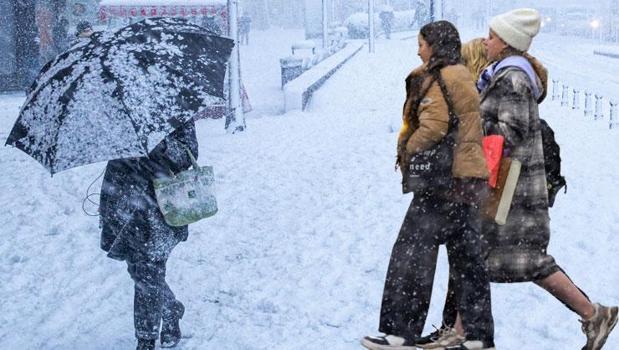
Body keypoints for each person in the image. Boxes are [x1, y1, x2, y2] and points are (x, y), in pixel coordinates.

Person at [417, 9, 618, 350]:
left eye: (492, 36)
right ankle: (461, 332)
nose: (485, 41)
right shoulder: (504, 74)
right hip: (509, 186)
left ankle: (593, 313)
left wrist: (465, 129)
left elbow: (506, 131)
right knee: (485, 256)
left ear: (507, 43)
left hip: (512, 190)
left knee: (524, 261)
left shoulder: (513, 78)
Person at [362, 21, 495, 350]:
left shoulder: (437, 77)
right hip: (468, 180)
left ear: (435, 45)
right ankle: (478, 336)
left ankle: (398, 333)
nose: (418, 49)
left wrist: (408, 148)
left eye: (422, 43)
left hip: (442, 184)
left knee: (410, 255)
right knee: (468, 263)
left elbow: (434, 126)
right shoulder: (461, 72)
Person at [99, 120, 198, 350]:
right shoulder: (118, 111)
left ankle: (146, 339)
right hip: (124, 205)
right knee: (138, 270)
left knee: (148, 272)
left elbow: (187, 153)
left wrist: (156, 147)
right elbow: (112, 158)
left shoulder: (172, 109)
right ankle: (171, 309)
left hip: (161, 208)